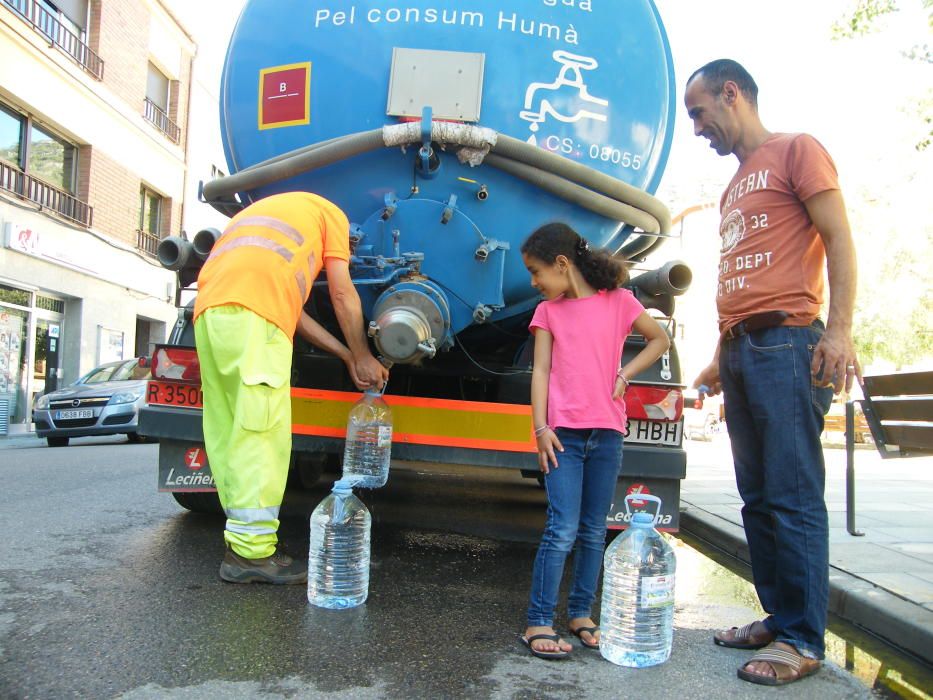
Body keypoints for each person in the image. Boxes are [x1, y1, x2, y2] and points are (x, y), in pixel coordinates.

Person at [684, 59, 859, 685]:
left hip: (789, 345)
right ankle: (779, 616)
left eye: (700, 111)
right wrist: (716, 360)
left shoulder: (797, 151)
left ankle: (802, 639)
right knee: (756, 499)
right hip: (741, 351)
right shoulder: (735, 187)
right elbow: (743, 281)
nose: (698, 128)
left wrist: (838, 331)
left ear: (732, 94)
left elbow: (838, 239)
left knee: (791, 496)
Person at [194, 191, 389, 585]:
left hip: (211, 313)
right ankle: (253, 554)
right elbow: (341, 293)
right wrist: (364, 353)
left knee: (229, 429)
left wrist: (345, 355)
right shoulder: (331, 212)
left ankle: (242, 541)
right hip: (255, 323)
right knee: (261, 434)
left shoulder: (266, 218)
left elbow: (294, 314)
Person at [519, 222, 671, 659]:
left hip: (607, 433)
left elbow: (659, 338)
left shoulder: (620, 302)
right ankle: (538, 621)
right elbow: (541, 372)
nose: (533, 282)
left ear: (562, 264)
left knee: (592, 530)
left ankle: (581, 613)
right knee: (561, 527)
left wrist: (625, 373)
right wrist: (540, 428)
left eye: (536, 271)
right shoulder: (548, 312)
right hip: (562, 434)